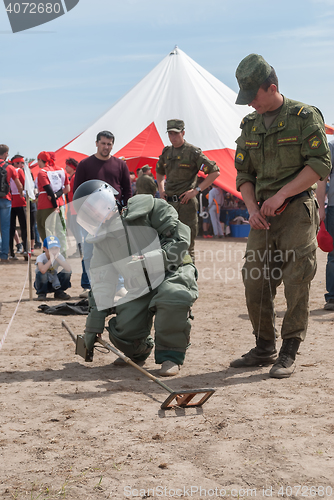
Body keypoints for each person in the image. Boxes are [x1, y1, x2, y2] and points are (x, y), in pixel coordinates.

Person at [230, 53, 331, 378]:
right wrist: (251, 208)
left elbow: (320, 164)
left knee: (296, 280)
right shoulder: (250, 125)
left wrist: (282, 194)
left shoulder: (304, 116)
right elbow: (243, 173)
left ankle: (289, 349)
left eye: (253, 97)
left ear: (271, 87)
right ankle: (264, 346)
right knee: (254, 280)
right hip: (261, 215)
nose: (249, 105)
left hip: (296, 212)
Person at [72, 180, 198, 377]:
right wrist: (92, 327)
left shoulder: (150, 208)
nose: (94, 214)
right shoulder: (102, 242)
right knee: (124, 329)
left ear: (108, 199)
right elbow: (101, 283)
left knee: (172, 296)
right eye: (88, 212)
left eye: (94, 206)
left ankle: (170, 356)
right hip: (141, 283)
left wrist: (149, 260)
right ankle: (139, 351)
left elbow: (180, 243)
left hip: (174, 270)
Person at [73, 131, 132, 298]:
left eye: (109, 144)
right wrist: (84, 215)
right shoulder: (85, 164)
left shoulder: (120, 165)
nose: (106, 147)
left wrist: (125, 211)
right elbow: (78, 192)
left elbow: (127, 190)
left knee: (118, 252)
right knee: (90, 252)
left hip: (114, 216)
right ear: (96, 143)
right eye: (103, 143)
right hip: (91, 218)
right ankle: (94, 287)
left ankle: (119, 285)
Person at [156, 119, 220, 260]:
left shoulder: (193, 152)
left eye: (176, 134)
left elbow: (215, 172)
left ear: (183, 133)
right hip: (169, 205)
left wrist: (196, 190)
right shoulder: (166, 153)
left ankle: (189, 279)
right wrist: (161, 189)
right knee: (168, 243)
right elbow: (159, 171)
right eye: (170, 134)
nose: (173, 137)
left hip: (186, 205)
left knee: (187, 245)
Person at [36, 151, 70, 253]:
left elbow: (48, 190)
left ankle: (49, 250)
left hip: (46, 204)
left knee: (45, 228)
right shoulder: (61, 170)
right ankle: (63, 252)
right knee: (60, 229)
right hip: (60, 203)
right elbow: (67, 189)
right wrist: (57, 196)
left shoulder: (43, 172)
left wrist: (54, 200)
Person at [316, 140, 334, 310]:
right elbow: (321, 179)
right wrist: (321, 207)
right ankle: (332, 297)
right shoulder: (331, 147)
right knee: (333, 254)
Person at [0, 144, 23, 262]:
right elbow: (18, 184)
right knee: (5, 228)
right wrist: (21, 193)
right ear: (5, 154)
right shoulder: (10, 168)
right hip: (6, 200)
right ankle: (4, 255)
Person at [34, 235, 72, 301]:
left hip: (55, 281)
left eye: (56, 248)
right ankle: (42, 293)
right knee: (42, 273)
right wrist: (51, 259)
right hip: (42, 283)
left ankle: (59, 292)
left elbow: (68, 269)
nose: (54, 251)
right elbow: (42, 270)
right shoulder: (40, 257)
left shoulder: (59, 256)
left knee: (67, 272)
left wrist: (56, 258)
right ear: (45, 249)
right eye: (51, 248)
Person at [9, 155, 28, 260]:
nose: (22, 165)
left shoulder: (8, 170)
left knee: (11, 229)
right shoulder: (19, 171)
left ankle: (11, 253)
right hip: (21, 202)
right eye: (20, 163)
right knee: (24, 228)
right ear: (16, 163)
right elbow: (24, 185)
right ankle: (25, 250)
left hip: (10, 202)